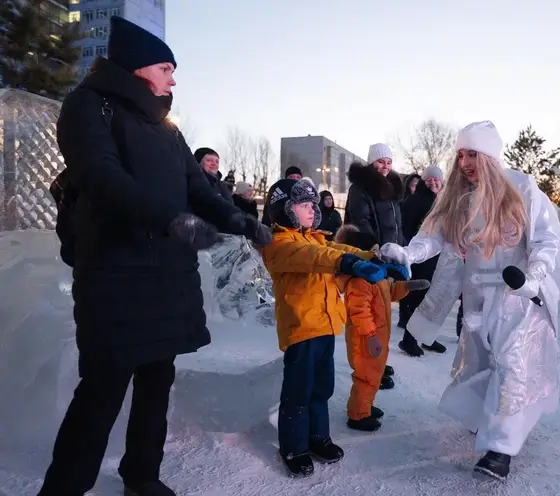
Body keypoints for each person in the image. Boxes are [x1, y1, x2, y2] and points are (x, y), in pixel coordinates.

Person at [38, 17, 272, 496]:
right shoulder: (88, 106)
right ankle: (63, 488)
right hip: (115, 274)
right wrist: (170, 219)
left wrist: (241, 221)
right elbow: (101, 177)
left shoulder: (166, 129)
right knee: (101, 391)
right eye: (167, 67)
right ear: (138, 66)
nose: (173, 78)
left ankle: (141, 476)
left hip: (166, 273)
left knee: (157, 381)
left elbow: (197, 187)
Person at [381, 121, 560, 480]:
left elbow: (546, 240)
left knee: (511, 366)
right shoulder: (458, 198)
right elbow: (434, 236)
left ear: (489, 153)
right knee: (479, 363)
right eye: (461, 154)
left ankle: (500, 449)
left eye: (473, 153)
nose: (465, 162)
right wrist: (408, 253)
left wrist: (532, 279)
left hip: (515, 296)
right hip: (477, 297)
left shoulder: (522, 188)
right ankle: (486, 416)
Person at [260, 178, 402, 477]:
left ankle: (317, 437)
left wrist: (372, 258)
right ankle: (294, 446)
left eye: (313, 204)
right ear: (284, 209)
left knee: (322, 388)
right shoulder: (278, 245)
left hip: (325, 327)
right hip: (301, 330)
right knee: (298, 392)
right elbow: (317, 258)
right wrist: (348, 263)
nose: (311, 209)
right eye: (303, 205)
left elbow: (336, 248)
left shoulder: (315, 238)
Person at [334, 225, 428, 432]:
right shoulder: (359, 281)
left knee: (374, 376)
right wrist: (370, 337)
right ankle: (358, 415)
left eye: (378, 249)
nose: (378, 254)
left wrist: (406, 287)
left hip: (377, 336)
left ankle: (365, 405)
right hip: (365, 340)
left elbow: (389, 294)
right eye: (373, 250)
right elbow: (360, 312)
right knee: (366, 378)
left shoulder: (376, 277)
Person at [345, 143, 403, 389]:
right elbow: (362, 221)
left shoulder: (390, 190)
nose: (385, 167)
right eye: (380, 162)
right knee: (366, 315)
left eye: (388, 162)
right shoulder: (361, 188)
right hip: (370, 258)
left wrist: (402, 250)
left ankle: (377, 359)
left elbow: (396, 225)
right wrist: (374, 249)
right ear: (371, 163)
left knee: (383, 315)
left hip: (388, 258)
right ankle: (367, 365)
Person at [397, 166, 446, 357]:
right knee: (418, 299)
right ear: (424, 181)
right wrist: (413, 252)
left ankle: (426, 336)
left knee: (432, 299)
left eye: (437, 179)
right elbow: (406, 230)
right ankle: (408, 340)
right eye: (429, 179)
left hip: (436, 258)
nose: (433, 182)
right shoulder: (415, 201)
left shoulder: (438, 200)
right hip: (421, 260)